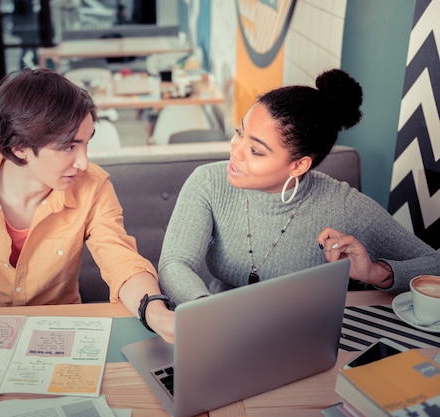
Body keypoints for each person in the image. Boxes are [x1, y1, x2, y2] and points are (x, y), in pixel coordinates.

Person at [0, 68, 175, 342]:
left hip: (57, 332)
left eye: (86, 144)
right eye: (68, 147)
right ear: (19, 147)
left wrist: (155, 313)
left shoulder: (93, 185)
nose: (83, 162)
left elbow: (121, 262)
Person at [158, 68, 440, 304]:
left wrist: (377, 272)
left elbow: (434, 264)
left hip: (302, 336)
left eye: (256, 151)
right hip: (216, 321)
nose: (235, 150)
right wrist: (205, 312)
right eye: (239, 133)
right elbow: (174, 264)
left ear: (298, 165)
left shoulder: (343, 205)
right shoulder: (208, 182)